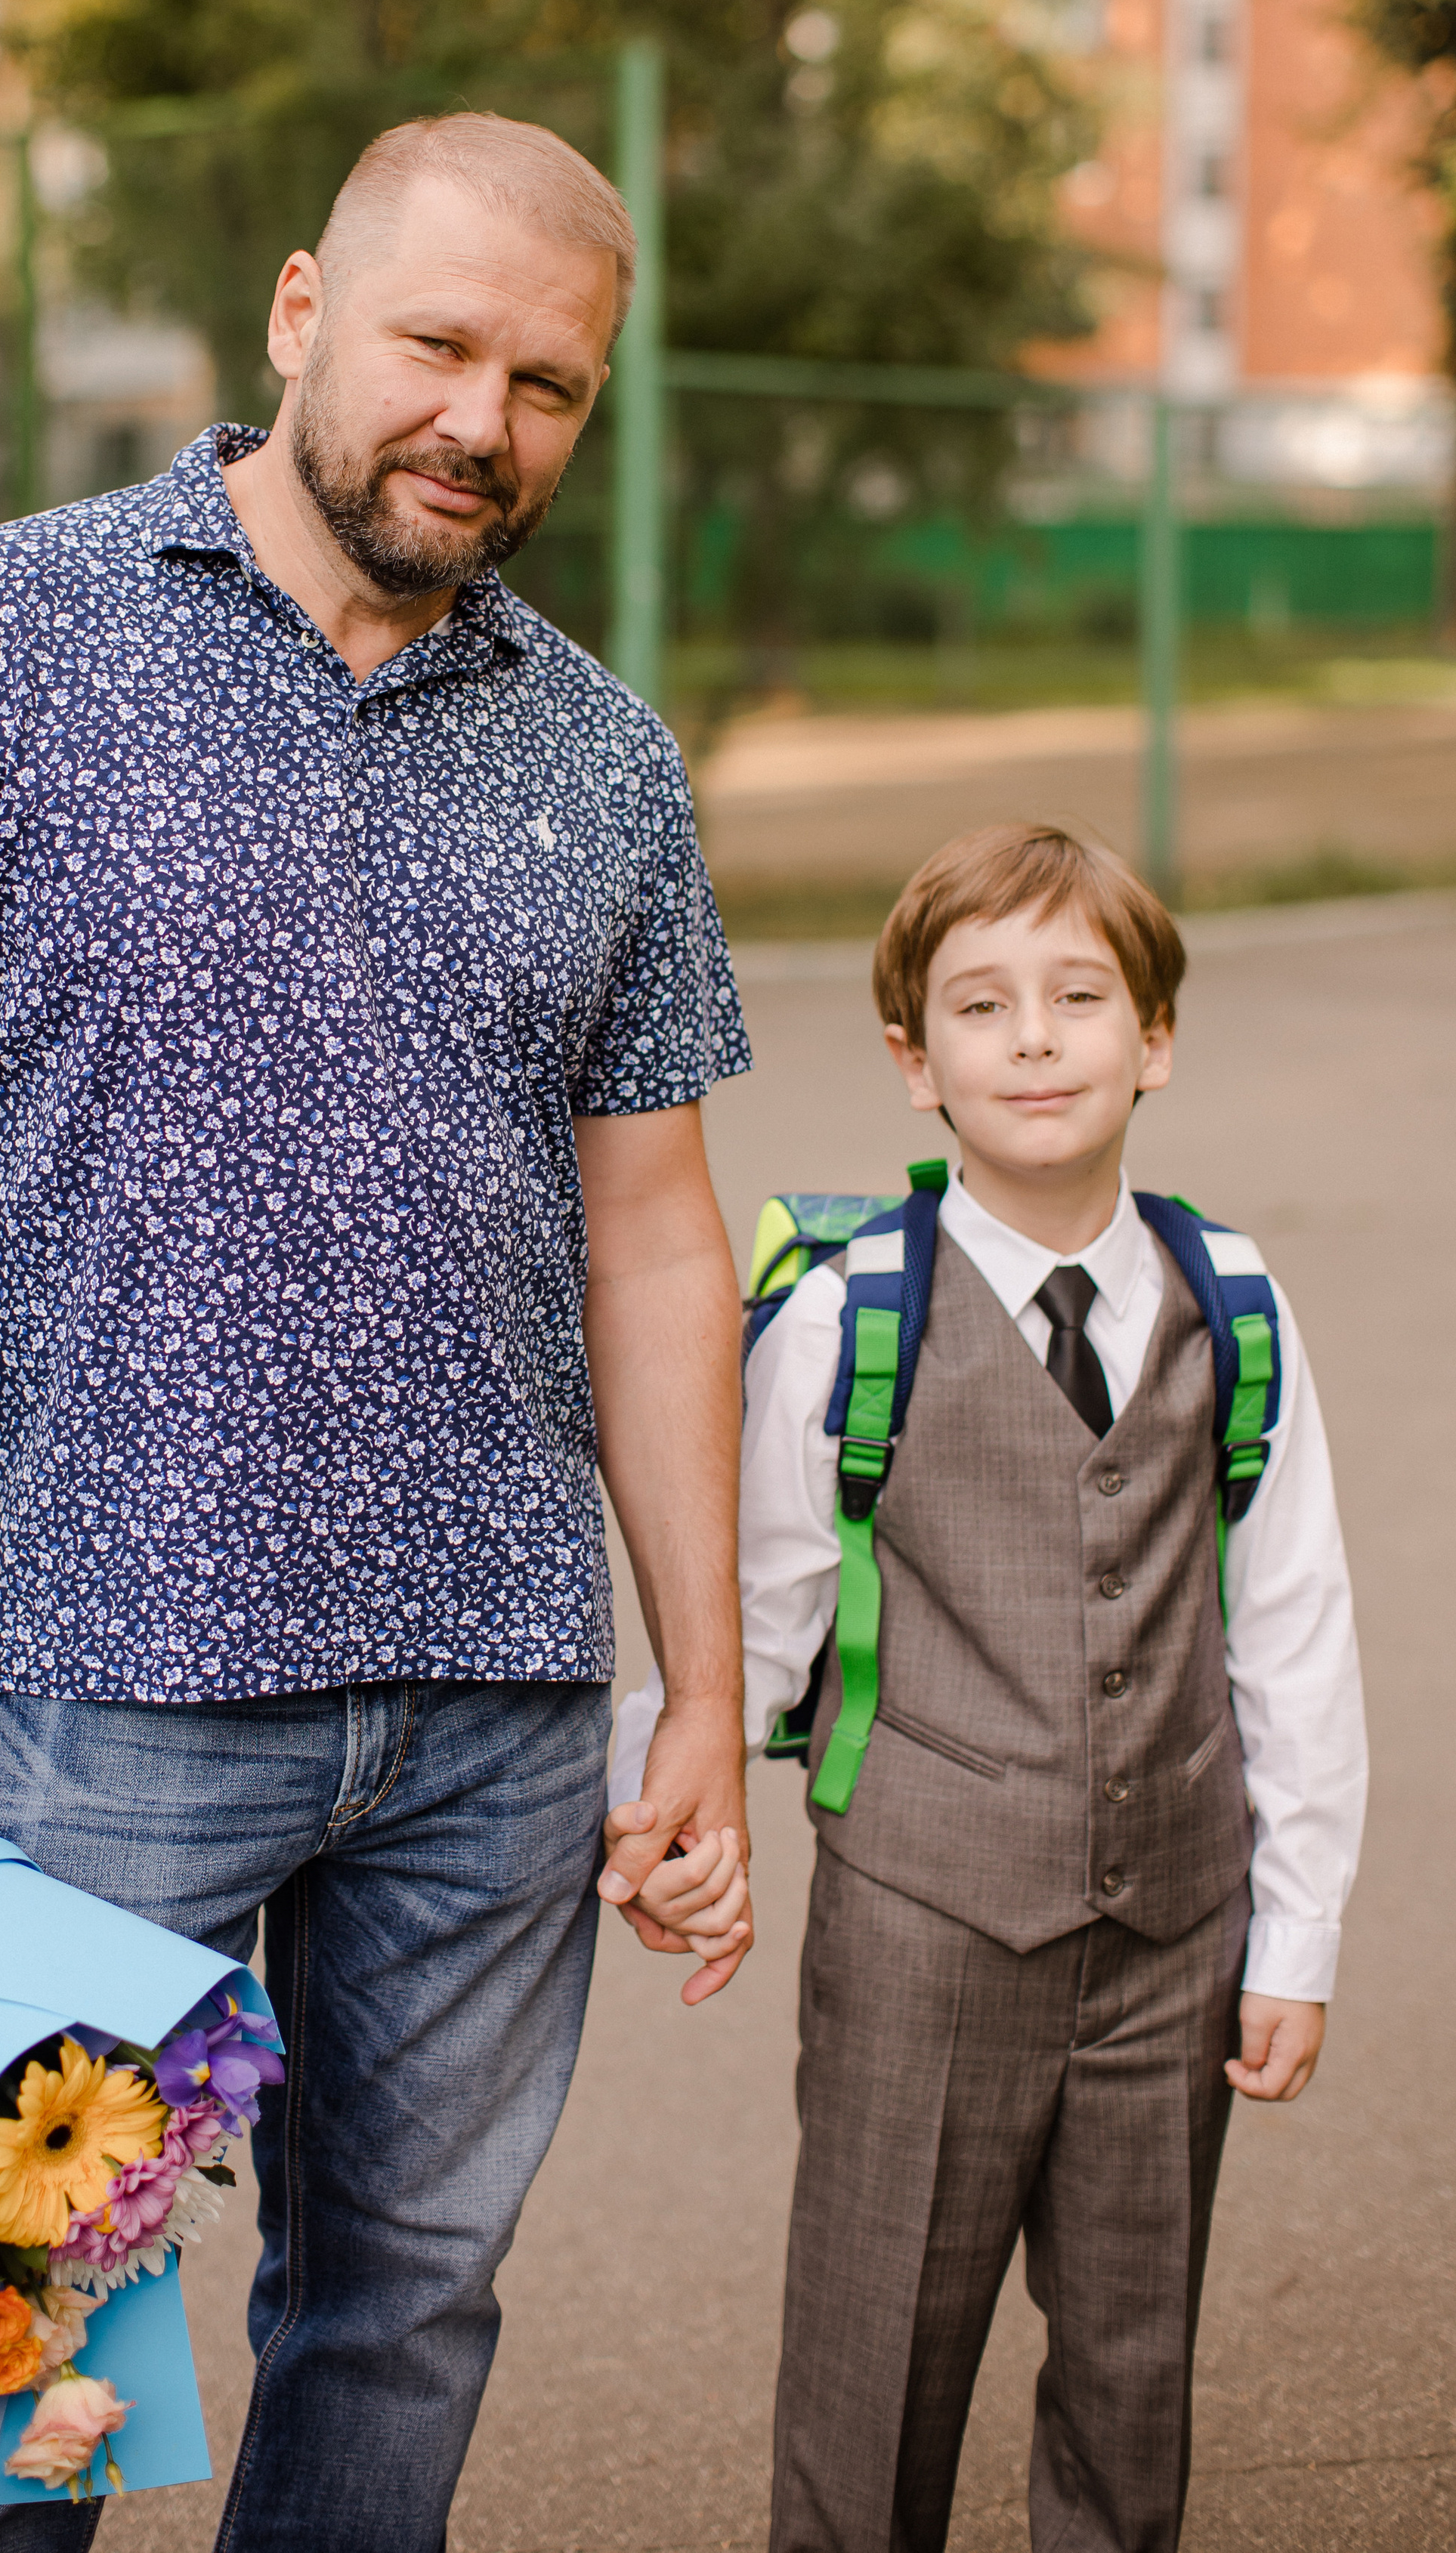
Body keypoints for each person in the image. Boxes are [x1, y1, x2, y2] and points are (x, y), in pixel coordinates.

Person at [0, 111, 756, 2553]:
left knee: (400, 2324)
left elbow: (658, 1246)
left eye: (547, 385)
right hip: (114, 1693)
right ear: (301, 310)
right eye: (437, 345)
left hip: (498, 1722)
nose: (483, 422)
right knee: (12, 2371)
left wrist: (703, 1688)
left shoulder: (606, 756)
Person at [620, 821, 1367, 2553]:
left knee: (1130, 2377)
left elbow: (1290, 1626)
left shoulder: (1232, 1302)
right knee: (872, 2368)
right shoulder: (846, 1318)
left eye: (1077, 998)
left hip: (1174, 1931)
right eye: (979, 1005)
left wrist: (1296, 1934)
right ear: (914, 1062)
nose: (1032, 1039)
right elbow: (758, 1611)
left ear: (1151, 1039)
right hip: (921, 1927)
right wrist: (677, 1821)